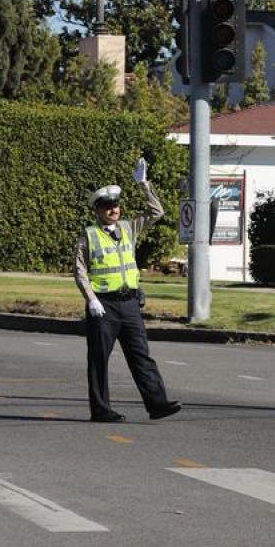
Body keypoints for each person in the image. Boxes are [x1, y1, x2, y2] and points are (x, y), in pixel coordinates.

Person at [75, 157, 181, 423]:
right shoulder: (88, 235)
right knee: (99, 360)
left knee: (141, 355)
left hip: (130, 303)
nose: (114, 210)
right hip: (104, 306)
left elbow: (157, 213)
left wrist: (143, 184)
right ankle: (101, 410)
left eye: (116, 205)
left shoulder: (128, 228)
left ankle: (157, 403)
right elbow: (79, 271)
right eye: (108, 207)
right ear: (97, 211)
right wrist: (91, 300)